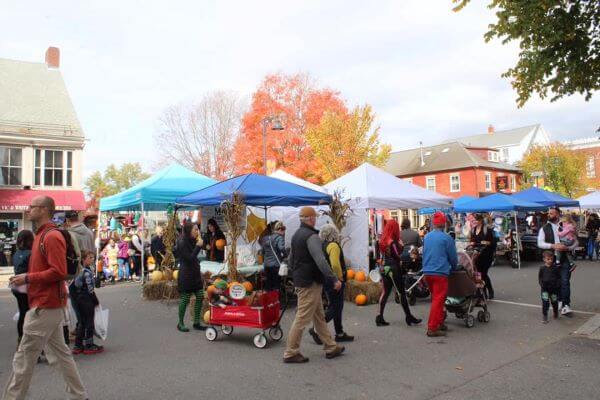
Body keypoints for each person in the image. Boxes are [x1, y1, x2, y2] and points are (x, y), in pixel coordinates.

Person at [3, 195, 87, 400]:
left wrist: (27, 278)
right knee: (60, 356)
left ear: (44, 210)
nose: (29, 209)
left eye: (32, 206)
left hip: (45, 306)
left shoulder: (50, 237)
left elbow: (58, 271)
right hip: (48, 305)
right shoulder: (42, 235)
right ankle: (79, 396)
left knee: (23, 359)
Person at [283, 207, 345, 363]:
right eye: (314, 217)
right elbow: (321, 260)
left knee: (319, 317)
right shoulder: (311, 236)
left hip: (304, 280)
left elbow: (291, 260)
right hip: (310, 282)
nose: (315, 219)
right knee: (302, 318)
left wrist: (295, 275)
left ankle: (331, 346)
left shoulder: (296, 235)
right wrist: (334, 279)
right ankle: (291, 352)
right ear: (310, 219)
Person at [308, 225, 354, 343]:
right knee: (335, 307)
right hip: (334, 280)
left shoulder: (323, 246)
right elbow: (335, 264)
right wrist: (338, 279)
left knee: (336, 306)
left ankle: (339, 333)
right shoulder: (333, 245)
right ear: (334, 233)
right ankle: (316, 330)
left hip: (326, 279)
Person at [376, 220, 422, 327]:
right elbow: (397, 256)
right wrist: (401, 246)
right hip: (393, 269)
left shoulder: (382, 240)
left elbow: (379, 257)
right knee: (401, 293)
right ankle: (409, 317)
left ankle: (379, 317)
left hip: (385, 268)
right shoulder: (391, 242)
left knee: (385, 292)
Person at [422, 211, 458, 337]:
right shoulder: (446, 238)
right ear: (444, 224)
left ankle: (439, 322)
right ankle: (432, 328)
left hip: (427, 272)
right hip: (440, 273)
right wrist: (454, 267)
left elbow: (425, 253)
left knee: (437, 299)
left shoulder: (426, 237)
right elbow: (453, 257)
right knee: (438, 300)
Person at [537, 207, 577, 316]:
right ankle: (559, 301)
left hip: (565, 258)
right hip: (552, 259)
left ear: (558, 214)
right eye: (548, 213)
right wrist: (553, 245)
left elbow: (576, 242)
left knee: (565, 281)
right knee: (555, 282)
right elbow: (540, 243)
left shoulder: (567, 225)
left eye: (552, 213)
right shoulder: (544, 228)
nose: (549, 215)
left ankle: (566, 305)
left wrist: (568, 248)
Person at [70, 250, 103, 354]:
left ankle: (78, 345)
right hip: (86, 299)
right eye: (90, 258)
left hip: (78, 298)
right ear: (84, 259)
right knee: (89, 321)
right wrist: (95, 300)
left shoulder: (78, 271)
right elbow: (90, 289)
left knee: (82, 322)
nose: (92, 260)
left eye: (93, 257)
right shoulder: (86, 272)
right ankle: (89, 345)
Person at [176, 222, 206, 332]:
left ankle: (196, 322)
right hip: (186, 274)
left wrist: (201, 244)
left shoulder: (193, 240)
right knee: (185, 298)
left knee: (200, 295)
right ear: (189, 230)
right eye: (195, 230)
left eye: (197, 229)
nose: (197, 231)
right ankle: (180, 323)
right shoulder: (182, 242)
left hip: (195, 273)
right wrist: (198, 246)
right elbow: (189, 259)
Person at [10, 230, 34, 346]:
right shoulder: (31, 253)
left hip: (16, 287)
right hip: (27, 286)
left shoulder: (16, 253)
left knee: (23, 312)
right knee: (30, 314)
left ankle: (21, 339)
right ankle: (28, 342)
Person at [469, 214, 496, 299]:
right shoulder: (473, 230)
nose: (474, 222)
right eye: (473, 220)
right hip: (477, 255)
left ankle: (489, 290)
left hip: (486, 255)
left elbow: (493, 243)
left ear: (480, 220)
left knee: (483, 274)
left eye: (476, 220)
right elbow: (472, 241)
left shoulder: (487, 230)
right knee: (478, 274)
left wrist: (488, 243)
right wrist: (471, 244)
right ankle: (482, 292)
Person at [260, 221, 287, 291]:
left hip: (266, 265)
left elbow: (262, 251)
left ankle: (269, 300)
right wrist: (285, 255)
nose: (284, 232)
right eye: (284, 229)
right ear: (280, 229)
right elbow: (281, 248)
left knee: (268, 283)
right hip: (276, 265)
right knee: (276, 284)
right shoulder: (279, 238)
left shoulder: (265, 238)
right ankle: (275, 300)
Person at [538, 250, 561, 324]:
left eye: (551, 259)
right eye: (548, 259)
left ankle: (555, 312)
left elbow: (559, 277)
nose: (550, 261)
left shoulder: (555, 268)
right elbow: (540, 278)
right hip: (545, 289)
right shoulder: (542, 268)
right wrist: (542, 284)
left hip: (553, 289)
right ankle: (545, 316)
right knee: (545, 302)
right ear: (544, 259)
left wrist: (557, 285)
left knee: (554, 302)